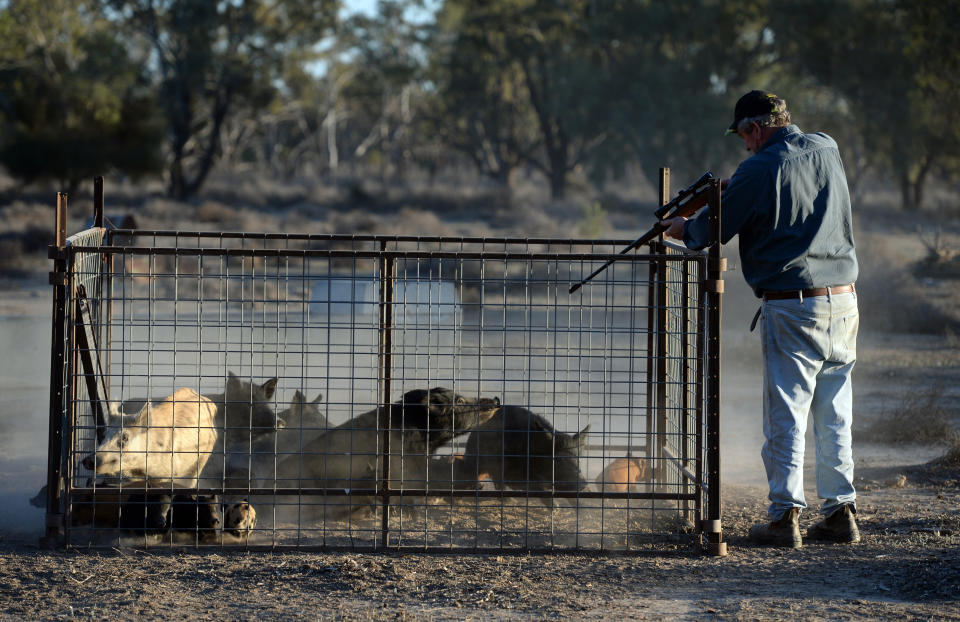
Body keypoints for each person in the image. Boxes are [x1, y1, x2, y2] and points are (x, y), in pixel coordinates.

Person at [661, 90, 860, 549]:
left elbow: (705, 232)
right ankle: (839, 511)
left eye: (744, 136)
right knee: (834, 412)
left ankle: (783, 516)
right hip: (844, 298)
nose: (744, 146)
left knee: (786, 412)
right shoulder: (826, 145)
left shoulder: (759, 167)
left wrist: (680, 227)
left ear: (754, 128)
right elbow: (787, 187)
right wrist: (739, 186)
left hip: (794, 305)